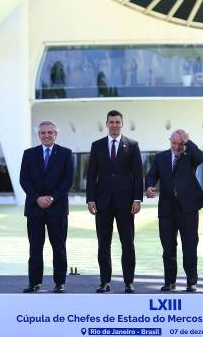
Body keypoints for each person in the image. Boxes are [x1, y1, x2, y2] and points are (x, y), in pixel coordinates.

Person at [87, 110, 143, 294]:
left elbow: (138, 175)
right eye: (111, 122)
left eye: (118, 122)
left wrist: (137, 199)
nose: (115, 125)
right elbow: (91, 175)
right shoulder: (97, 146)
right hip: (102, 203)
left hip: (126, 203)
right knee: (103, 243)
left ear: (122, 123)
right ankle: (105, 282)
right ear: (107, 123)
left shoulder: (132, 145)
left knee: (128, 243)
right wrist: (90, 199)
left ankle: (129, 282)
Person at [145, 129, 203, 293]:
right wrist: (149, 186)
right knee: (168, 248)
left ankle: (191, 282)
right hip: (167, 209)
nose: (177, 146)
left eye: (180, 143)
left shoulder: (190, 156)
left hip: (188, 209)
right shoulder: (161, 157)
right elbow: (151, 176)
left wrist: (188, 141)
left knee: (190, 247)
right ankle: (169, 282)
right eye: (174, 143)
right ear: (170, 141)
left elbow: (201, 157)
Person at [20, 120, 74, 294]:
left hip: (57, 208)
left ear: (56, 134)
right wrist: (37, 198)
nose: (46, 135)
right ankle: (34, 283)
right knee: (35, 247)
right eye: (43, 133)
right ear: (38, 135)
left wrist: (51, 197)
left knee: (59, 246)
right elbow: (24, 179)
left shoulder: (66, 153)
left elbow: (68, 181)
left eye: (50, 132)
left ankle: (60, 283)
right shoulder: (29, 154)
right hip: (35, 208)